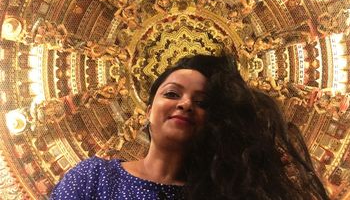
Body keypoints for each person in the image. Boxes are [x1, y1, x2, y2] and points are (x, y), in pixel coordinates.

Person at [50, 54, 329, 199]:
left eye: (203, 102)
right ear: (148, 112)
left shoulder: (225, 193)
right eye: (172, 94)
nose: (185, 104)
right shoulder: (94, 176)